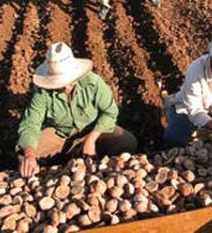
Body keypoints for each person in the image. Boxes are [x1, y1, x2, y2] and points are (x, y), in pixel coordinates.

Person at [17, 42, 137, 177]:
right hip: (61, 132)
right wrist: (30, 154)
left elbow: (110, 112)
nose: (66, 87)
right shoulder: (43, 92)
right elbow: (30, 124)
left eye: (68, 81)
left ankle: (81, 152)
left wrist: (91, 139)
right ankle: (70, 158)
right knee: (24, 157)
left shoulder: (93, 82)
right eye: (60, 82)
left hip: (93, 128)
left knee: (128, 143)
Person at [163, 31, 212, 148]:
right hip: (189, 109)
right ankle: (170, 107)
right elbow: (195, 111)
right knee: (174, 141)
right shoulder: (196, 69)